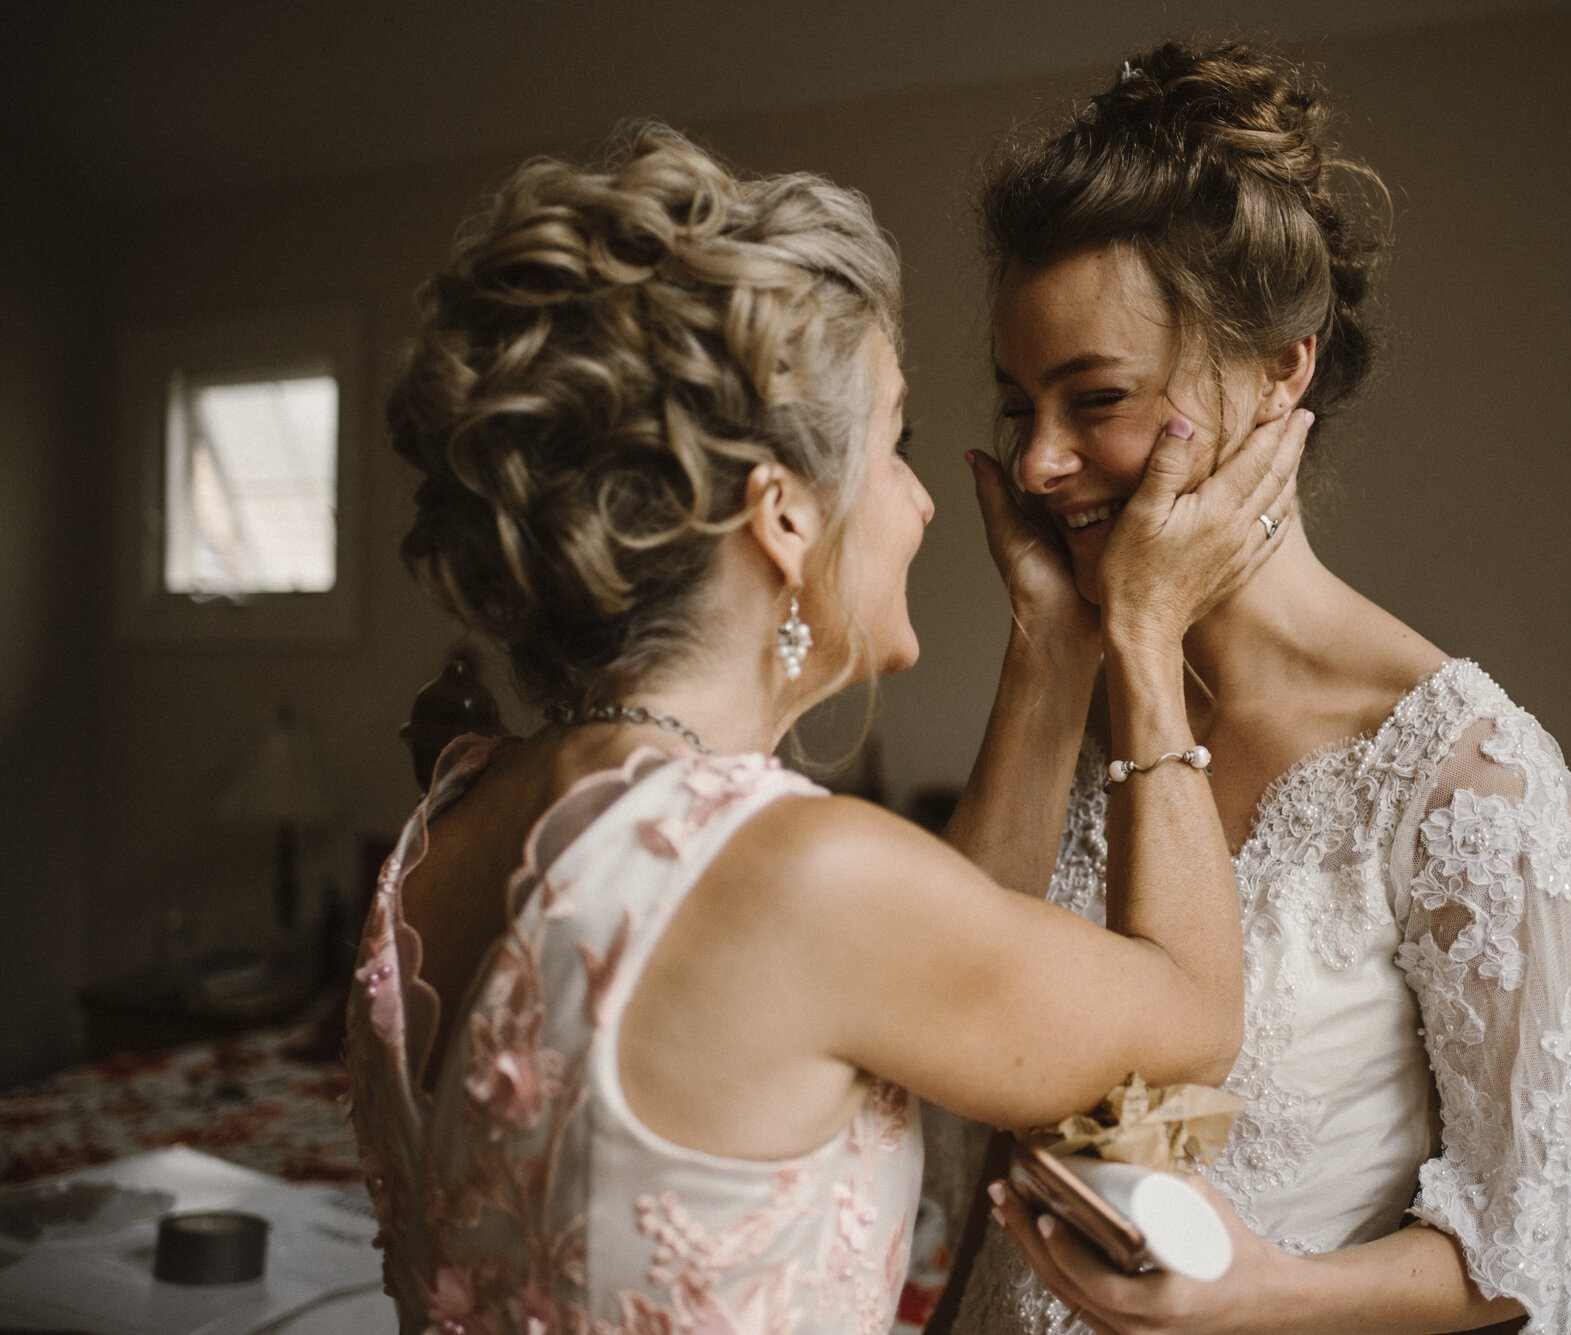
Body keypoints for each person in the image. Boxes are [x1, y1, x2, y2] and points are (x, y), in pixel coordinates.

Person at [345, 123, 1315, 1335]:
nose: (925, 500)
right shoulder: (796, 873)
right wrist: (1144, 633)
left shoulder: (455, 814)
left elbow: (909, 976)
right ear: (785, 519)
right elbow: (1188, 1026)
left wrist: (1052, 649)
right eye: (894, 441)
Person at [941, 42, 1571, 1335]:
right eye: (1020, 402)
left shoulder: (1466, 771)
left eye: (1096, 398)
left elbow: (1539, 1240)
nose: (1036, 462)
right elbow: (942, 1047)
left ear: (1281, 370)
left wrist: (1263, 1295)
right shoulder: (1075, 696)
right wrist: (1051, 647)